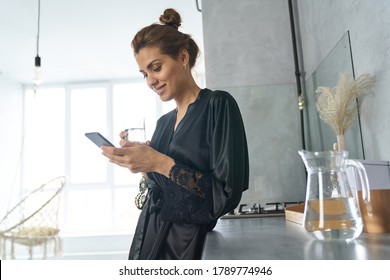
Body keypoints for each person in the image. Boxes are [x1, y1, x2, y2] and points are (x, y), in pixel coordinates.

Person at [101, 8, 249, 260]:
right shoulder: (162, 124)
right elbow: (162, 188)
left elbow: (224, 196)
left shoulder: (218, 105)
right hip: (148, 239)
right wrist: (141, 162)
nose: (150, 81)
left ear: (182, 58)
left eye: (155, 68)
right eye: (144, 74)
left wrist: (158, 161)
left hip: (187, 247)